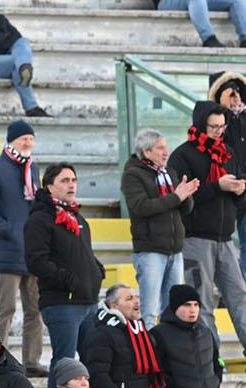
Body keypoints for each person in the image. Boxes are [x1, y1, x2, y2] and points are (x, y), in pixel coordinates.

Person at [0, 120, 46, 373]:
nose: (28, 143)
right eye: (23, 138)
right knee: (6, 308)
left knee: (35, 309)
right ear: (11, 140)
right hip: (8, 251)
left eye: (31, 138)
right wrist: (10, 230)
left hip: (33, 251)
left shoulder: (32, 167)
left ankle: (32, 361)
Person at [170, 101, 246, 337]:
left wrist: (240, 190)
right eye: (213, 127)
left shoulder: (227, 152)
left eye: (222, 126)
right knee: (201, 302)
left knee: (239, 296)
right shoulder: (182, 155)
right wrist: (217, 186)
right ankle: (209, 354)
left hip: (225, 239)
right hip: (196, 239)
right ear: (201, 125)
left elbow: (238, 197)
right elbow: (183, 198)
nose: (219, 132)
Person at [24, 163, 103, 364]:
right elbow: (36, 262)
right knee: (65, 363)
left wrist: (97, 270)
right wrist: (68, 280)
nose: (71, 185)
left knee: (93, 361)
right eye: (65, 180)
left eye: (74, 180)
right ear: (50, 187)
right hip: (62, 303)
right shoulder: (40, 219)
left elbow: (83, 254)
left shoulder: (78, 217)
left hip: (89, 301)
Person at [120, 130, 197, 323]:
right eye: (160, 148)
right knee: (149, 311)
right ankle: (149, 343)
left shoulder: (169, 173)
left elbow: (184, 210)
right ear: (146, 152)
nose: (166, 152)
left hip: (175, 251)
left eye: (166, 147)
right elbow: (141, 207)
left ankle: (167, 342)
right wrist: (176, 197)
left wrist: (187, 195)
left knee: (172, 310)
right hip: (150, 251)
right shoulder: (132, 175)